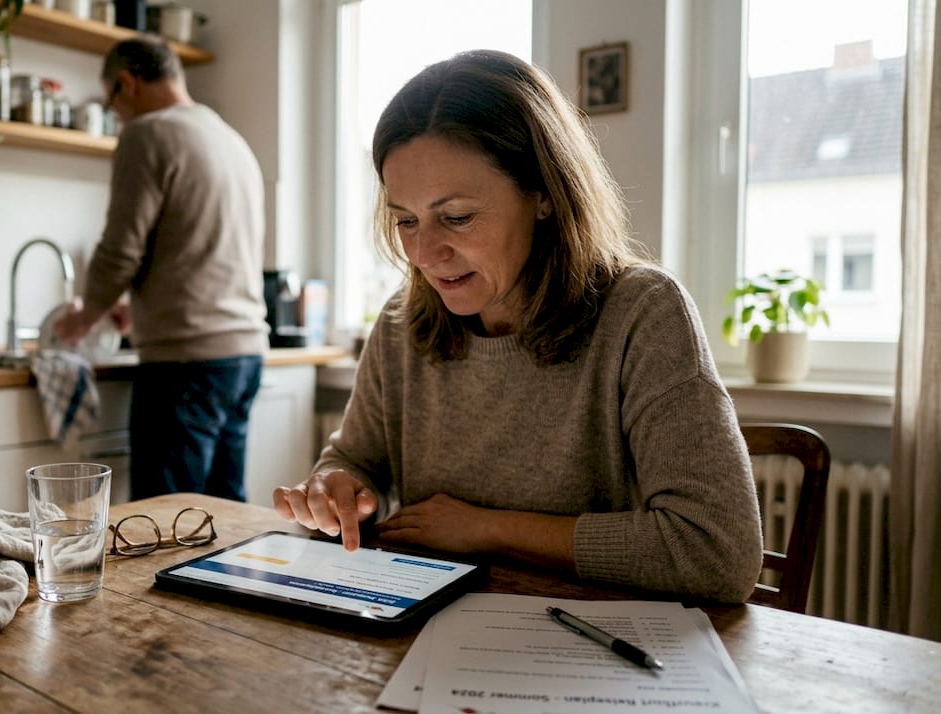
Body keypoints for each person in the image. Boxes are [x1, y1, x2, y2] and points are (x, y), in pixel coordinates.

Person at [273, 50, 763, 603]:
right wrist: (337, 489)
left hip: (593, 654)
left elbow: (716, 553)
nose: (425, 254)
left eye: (456, 217)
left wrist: (487, 528)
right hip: (428, 640)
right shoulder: (401, 322)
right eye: (405, 221)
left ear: (545, 196)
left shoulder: (643, 313)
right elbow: (355, 460)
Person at [55, 36, 269, 502]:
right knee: (226, 516)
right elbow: (201, 246)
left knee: (165, 525)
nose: (117, 116)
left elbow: (119, 249)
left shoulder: (148, 133)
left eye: (112, 101)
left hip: (186, 363)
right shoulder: (228, 138)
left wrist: (84, 316)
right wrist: (138, 305)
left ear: (127, 83)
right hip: (244, 352)